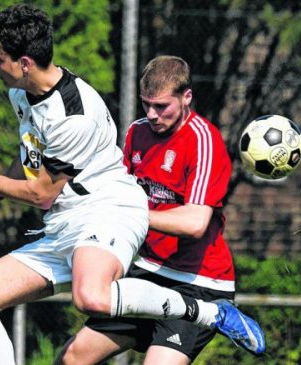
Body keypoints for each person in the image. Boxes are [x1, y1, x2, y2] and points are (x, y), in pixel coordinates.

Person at [0, 5, 264, 365]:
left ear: (26, 63)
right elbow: (32, 154)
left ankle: (207, 313)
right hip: (76, 228)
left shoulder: (73, 116)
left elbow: (42, 193)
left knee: (91, 297)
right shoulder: (22, 93)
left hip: (105, 216)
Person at [56, 56, 266, 365]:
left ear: (186, 98)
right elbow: (117, 192)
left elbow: (196, 222)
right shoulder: (136, 134)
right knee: (72, 356)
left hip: (199, 283)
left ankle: (220, 316)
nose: (152, 115)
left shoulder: (204, 140)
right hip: (148, 274)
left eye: (162, 106)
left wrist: (131, 213)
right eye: (146, 105)